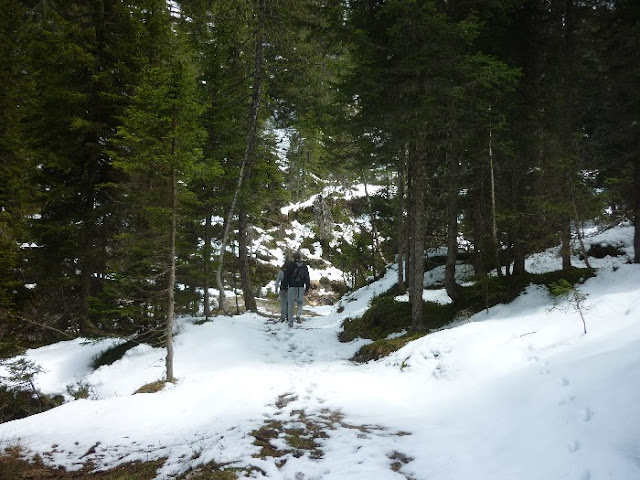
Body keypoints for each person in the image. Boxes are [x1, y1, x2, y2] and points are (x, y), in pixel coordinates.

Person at [283, 251, 310, 327]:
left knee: (290, 305)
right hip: (301, 288)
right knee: (300, 302)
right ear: (300, 257)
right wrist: (307, 289)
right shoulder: (304, 266)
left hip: (291, 287)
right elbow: (307, 278)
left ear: (294, 257)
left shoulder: (291, 265)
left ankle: (290, 322)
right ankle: (298, 315)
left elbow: (286, 277)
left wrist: (284, 287)